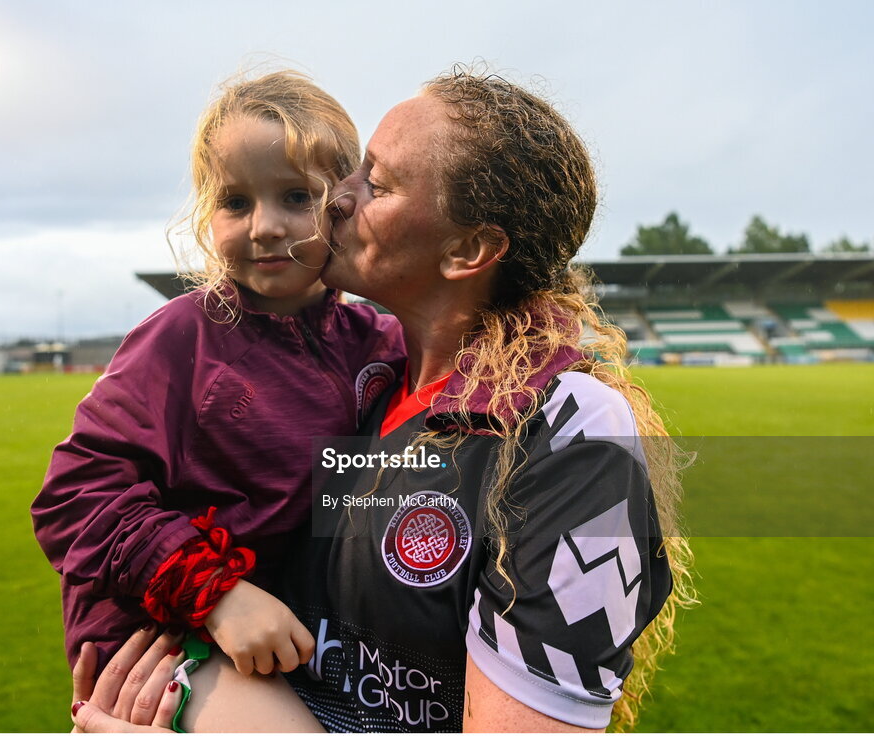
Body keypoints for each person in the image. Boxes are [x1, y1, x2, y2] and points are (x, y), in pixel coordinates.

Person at [72, 66, 694, 733]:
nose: (337, 197)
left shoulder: (568, 429)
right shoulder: (366, 377)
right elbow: (90, 495)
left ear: (467, 250)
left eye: (377, 182)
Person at [31, 70, 406, 687]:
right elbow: (76, 496)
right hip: (163, 644)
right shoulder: (184, 338)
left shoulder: (377, 342)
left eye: (295, 197)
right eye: (235, 202)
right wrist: (217, 594)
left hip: (295, 636)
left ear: (342, 204)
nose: (263, 226)